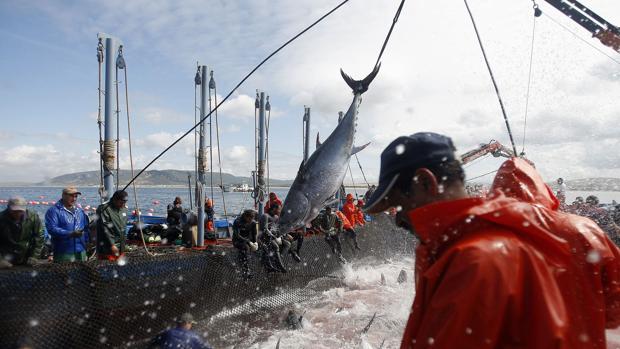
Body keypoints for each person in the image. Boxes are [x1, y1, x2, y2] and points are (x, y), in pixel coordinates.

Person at [364, 132, 620, 348]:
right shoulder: (577, 232)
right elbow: (612, 315)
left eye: (399, 204)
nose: (397, 219)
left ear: (425, 182)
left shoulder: (472, 260)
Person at [45, 186, 90, 263]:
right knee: (64, 274)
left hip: (81, 251)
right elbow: (52, 229)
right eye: (71, 196)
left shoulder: (79, 211)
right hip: (63, 252)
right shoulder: (54, 211)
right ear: (64, 195)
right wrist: (70, 233)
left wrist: (88, 242)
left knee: (81, 274)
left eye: (76, 196)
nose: (74, 199)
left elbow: (86, 228)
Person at [0, 196, 44, 268]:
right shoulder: (1, 218)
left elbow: (39, 236)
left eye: (20, 211)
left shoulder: (33, 217)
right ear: (8, 208)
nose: (17, 213)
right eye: (14, 211)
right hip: (6, 255)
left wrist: (34, 256)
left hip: (26, 255)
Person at [96, 190, 128, 261]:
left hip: (121, 246)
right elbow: (105, 228)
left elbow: (124, 227)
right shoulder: (104, 209)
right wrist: (112, 245)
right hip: (107, 247)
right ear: (114, 200)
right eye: (121, 202)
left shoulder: (124, 209)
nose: (123, 204)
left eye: (125, 202)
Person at [259, 204, 289, 273]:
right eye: (279, 209)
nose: (280, 211)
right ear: (274, 209)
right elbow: (265, 229)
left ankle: (278, 259)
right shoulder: (265, 216)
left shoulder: (276, 217)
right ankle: (280, 265)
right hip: (264, 237)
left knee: (287, 244)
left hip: (273, 236)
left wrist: (282, 234)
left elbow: (277, 228)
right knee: (275, 246)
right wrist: (273, 236)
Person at [232, 209, 259, 278]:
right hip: (237, 240)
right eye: (250, 218)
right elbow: (237, 235)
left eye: (252, 219)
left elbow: (254, 234)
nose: (251, 220)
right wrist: (248, 241)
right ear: (245, 216)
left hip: (248, 239)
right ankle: (246, 270)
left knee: (262, 245)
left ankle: (268, 266)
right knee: (246, 248)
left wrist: (255, 242)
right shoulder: (238, 221)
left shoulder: (253, 222)